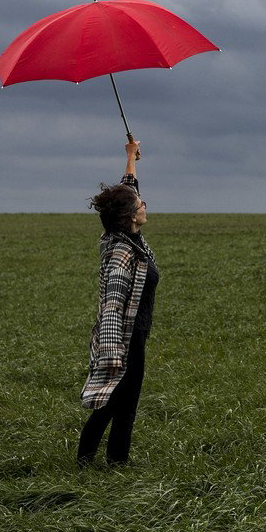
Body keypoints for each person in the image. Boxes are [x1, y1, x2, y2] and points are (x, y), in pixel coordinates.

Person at [78, 138, 159, 467]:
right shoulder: (121, 253)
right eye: (140, 203)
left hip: (135, 332)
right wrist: (114, 355)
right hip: (125, 336)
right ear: (130, 216)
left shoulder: (123, 234)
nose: (145, 204)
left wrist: (130, 157)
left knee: (119, 402)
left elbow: (129, 187)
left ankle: (101, 461)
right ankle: (107, 463)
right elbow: (111, 307)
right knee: (119, 403)